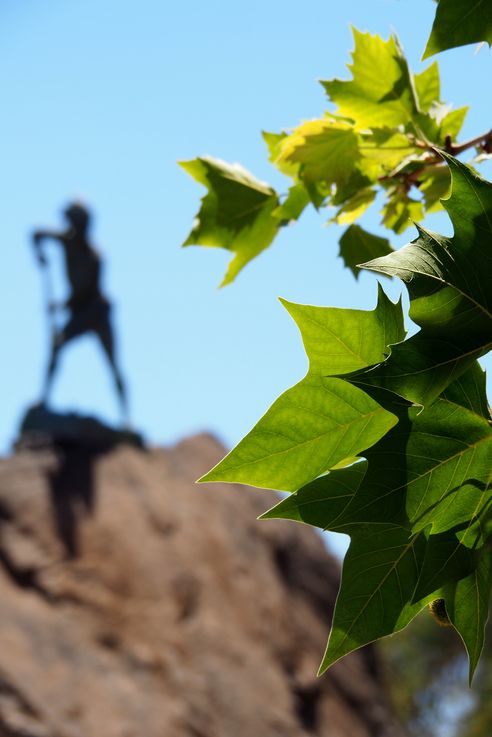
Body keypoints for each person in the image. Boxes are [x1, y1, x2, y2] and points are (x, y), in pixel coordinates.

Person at [32, 202, 128, 422]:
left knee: (112, 364)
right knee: (56, 348)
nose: (68, 227)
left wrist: (60, 305)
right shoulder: (65, 242)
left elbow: (85, 294)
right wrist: (39, 256)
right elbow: (36, 233)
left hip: (96, 313)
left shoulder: (95, 257)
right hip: (79, 311)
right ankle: (43, 398)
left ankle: (126, 418)